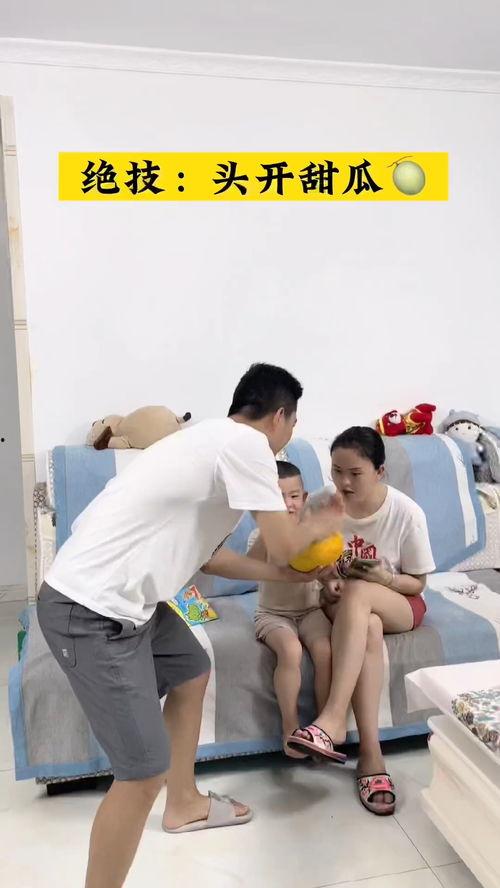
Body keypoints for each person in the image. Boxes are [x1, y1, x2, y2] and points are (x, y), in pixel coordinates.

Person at [37, 363, 344, 888]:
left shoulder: (208, 442)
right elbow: (287, 545)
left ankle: (182, 803)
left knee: (191, 668)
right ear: (279, 416)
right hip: (89, 610)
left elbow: (211, 558)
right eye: (293, 424)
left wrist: (283, 573)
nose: (289, 436)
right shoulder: (248, 447)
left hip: (128, 603)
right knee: (141, 774)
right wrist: (324, 517)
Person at [288, 426, 435, 815]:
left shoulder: (405, 512)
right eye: (337, 471)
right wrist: (327, 580)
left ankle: (333, 718)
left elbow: (417, 583)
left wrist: (384, 577)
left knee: (361, 593)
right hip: (346, 607)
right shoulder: (323, 504)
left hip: (399, 602)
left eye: (355, 473)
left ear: (380, 471)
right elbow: (304, 562)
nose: (344, 482)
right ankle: (371, 757)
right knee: (365, 622)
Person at [248, 461, 333, 758]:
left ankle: (323, 730)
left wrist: (331, 581)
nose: (288, 504)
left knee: (325, 650)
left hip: (310, 611)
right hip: (273, 614)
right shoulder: (262, 536)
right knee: (291, 650)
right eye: (278, 498)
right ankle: (290, 730)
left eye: (294, 496)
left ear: (305, 498)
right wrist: (267, 530)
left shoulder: (313, 534)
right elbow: (250, 564)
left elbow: (324, 570)